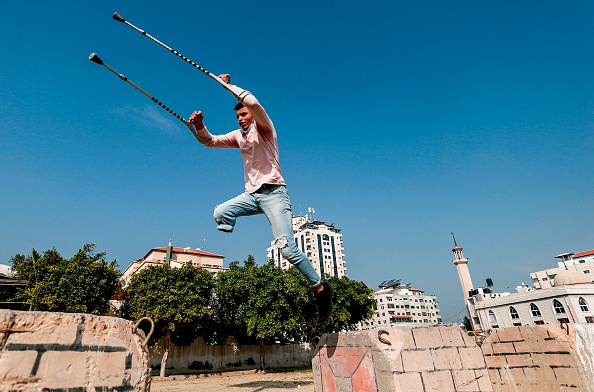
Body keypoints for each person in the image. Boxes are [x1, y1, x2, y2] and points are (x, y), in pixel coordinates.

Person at [189, 74, 333, 322]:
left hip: (275, 194)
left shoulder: (265, 129)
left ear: (253, 116)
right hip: (252, 196)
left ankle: (320, 288)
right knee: (220, 212)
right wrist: (199, 125)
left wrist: (229, 87)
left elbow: (253, 102)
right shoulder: (238, 136)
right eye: (238, 117)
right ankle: (230, 232)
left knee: (287, 249)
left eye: (244, 115)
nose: (241, 119)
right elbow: (209, 142)